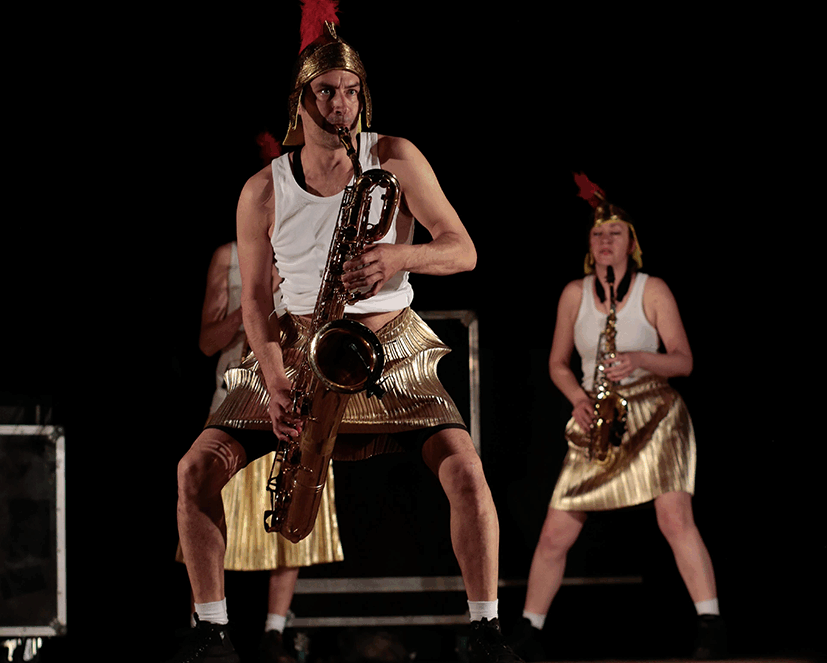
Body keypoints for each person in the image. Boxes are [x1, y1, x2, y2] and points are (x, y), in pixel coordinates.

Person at [169, 12, 520, 663]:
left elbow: (463, 249)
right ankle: (213, 629)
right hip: (296, 345)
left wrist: (398, 260)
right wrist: (272, 378)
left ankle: (485, 627)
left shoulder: (394, 156)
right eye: (327, 90)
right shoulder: (261, 191)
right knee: (195, 468)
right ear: (300, 99)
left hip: (388, 343)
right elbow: (251, 301)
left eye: (352, 89)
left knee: (466, 471)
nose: (342, 103)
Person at [509, 173, 726, 661]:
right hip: (599, 414)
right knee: (554, 531)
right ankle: (530, 630)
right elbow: (557, 364)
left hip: (654, 412)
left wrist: (640, 359)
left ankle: (710, 623)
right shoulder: (574, 293)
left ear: (632, 243)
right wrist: (578, 399)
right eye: (597, 234)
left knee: (675, 519)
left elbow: (684, 361)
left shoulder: (653, 289)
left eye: (615, 233)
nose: (605, 241)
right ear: (589, 245)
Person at [183, 239, 344, 663]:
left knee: (293, 507)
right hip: (235, 399)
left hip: (295, 398)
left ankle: (275, 632)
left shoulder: (313, 242)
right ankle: (206, 626)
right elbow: (205, 342)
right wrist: (253, 307)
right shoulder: (229, 257)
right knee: (202, 503)